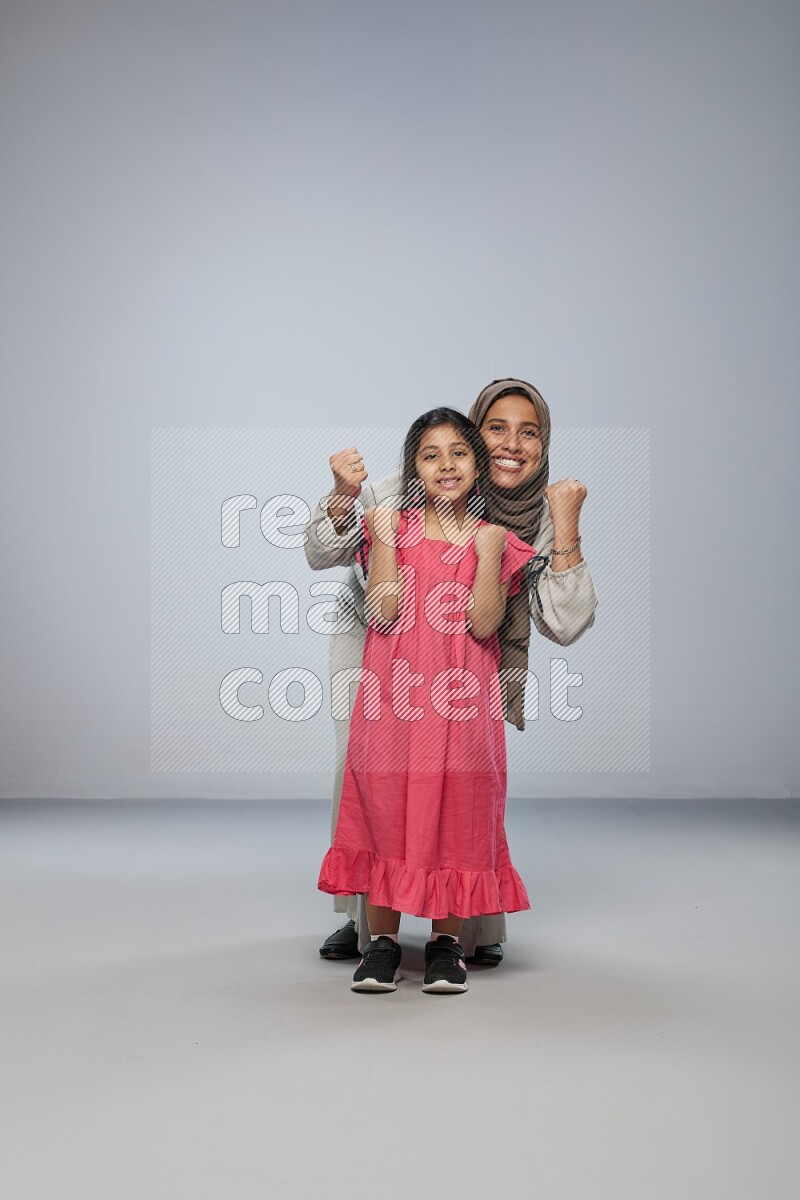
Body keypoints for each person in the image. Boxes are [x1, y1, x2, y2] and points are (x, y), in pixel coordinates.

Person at [304, 378, 598, 965]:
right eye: (496, 428)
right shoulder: (405, 486)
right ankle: (367, 919)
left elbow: (564, 622)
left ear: (544, 444)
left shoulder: (533, 518)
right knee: (373, 774)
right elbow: (324, 550)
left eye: (529, 431)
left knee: (463, 783)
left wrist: (565, 528)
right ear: (472, 432)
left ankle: (468, 926)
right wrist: (341, 496)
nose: (511, 443)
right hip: (377, 640)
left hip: (469, 655)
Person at [317, 407, 537, 993]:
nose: (446, 465)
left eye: (459, 453)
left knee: (459, 815)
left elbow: (486, 621)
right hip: (394, 706)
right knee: (385, 809)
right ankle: (384, 943)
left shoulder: (496, 538)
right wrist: (384, 532)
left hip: (464, 708)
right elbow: (384, 610)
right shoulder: (394, 525)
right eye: (431, 455)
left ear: (478, 465)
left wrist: (488, 551)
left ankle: (445, 945)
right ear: (414, 468)